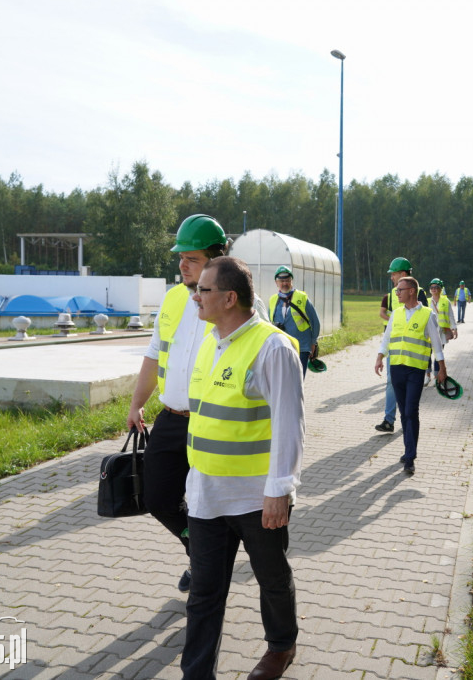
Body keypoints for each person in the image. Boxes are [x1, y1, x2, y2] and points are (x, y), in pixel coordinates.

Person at [182, 256, 303, 680]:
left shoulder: (272, 347)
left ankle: (281, 646)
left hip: (256, 498)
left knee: (271, 579)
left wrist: (279, 490)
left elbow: (290, 424)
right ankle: (196, 673)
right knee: (203, 593)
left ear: (230, 298)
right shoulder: (209, 341)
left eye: (204, 290)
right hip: (206, 495)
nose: (196, 296)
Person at [127, 214, 229, 594]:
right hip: (171, 419)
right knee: (156, 497)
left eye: (192, 258)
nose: (182, 265)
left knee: (209, 503)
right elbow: (154, 356)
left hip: (213, 422)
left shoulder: (236, 301)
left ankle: (207, 564)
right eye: (181, 258)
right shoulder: (172, 299)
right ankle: (199, 551)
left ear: (216, 260)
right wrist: (137, 404)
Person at [374, 276, 446, 475]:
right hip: (396, 368)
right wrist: (380, 357)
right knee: (403, 411)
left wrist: (442, 369)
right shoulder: (396, 314)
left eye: (400, 290)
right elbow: (386, 338)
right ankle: (408, 451)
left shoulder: (427, 315)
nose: (396, 293)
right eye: (397, 291)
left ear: (411, 291)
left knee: (410, 411)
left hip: (416, 370)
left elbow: (437, 344)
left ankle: (410, 457)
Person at [375, 257, 427, 433]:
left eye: (394, 274)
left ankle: (407, 417)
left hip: (413, 353)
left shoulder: (419, 293)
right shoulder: (390, 295)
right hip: (394, 349)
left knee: (408, 389)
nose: (391, 277)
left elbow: (425, 321)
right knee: (391, 383)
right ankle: (389, 420)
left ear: (403, 273)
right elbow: (385, 316)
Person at [268, 265, 321, 377]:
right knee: (284, 378)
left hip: (302, 345)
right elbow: (268, 324)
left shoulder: (301, 297)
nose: (285, 283)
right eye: (281, 281)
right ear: (276, 282)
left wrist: (313, 342)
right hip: (282, 346)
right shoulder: (273, 300)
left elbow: (315, 321)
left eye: (287, 280)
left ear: (291, 281)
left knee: (298, 378)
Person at [426, 278, 457, 386]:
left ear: (440, 289)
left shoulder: (445, 301)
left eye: (436, 287)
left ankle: (436, 376)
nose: (434, 289)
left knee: (438, 354)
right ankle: (427, 375)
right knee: (427, 354)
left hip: (442, 333)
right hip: (429, 332)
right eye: (432, 287)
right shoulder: (427, 301)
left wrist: (454, 328)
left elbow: (451, 315)